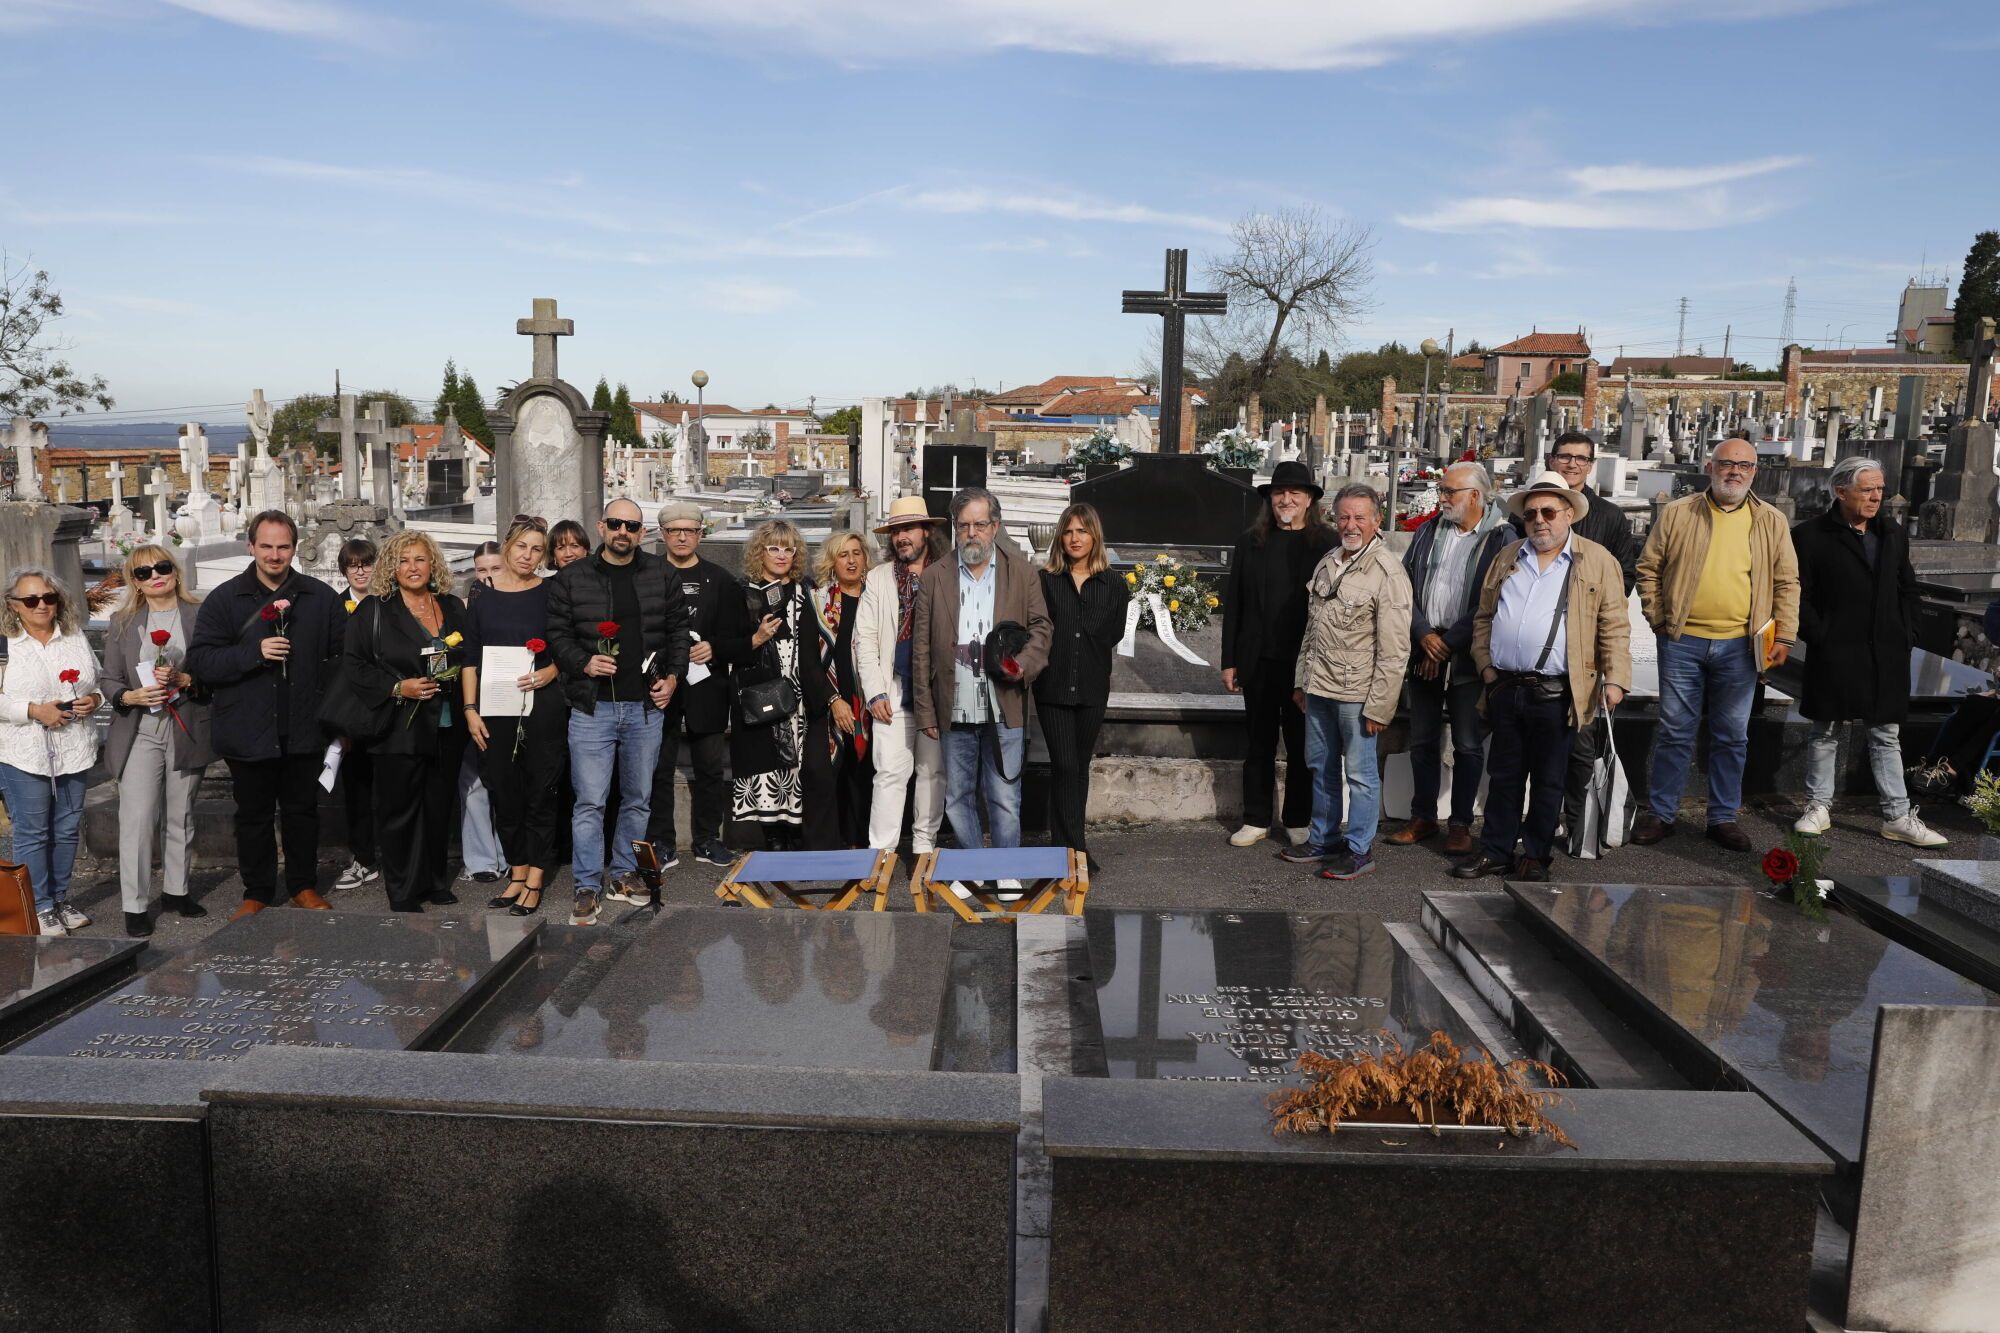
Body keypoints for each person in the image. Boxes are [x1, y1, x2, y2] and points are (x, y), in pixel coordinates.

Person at [1456, 471, 1631, 882]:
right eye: (1531, 513)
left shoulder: (1597, 560)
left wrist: (1615, 679)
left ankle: (1534, 854)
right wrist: (1485, 665)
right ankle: (1497, 849)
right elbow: (1484, 616)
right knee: (1503, 776)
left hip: (1558, 690)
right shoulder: (1509, 556)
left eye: (1549, 511)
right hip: (1506, 685)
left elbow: (1614, 624)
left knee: (1550, 779)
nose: (1539, 520)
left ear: (1568, 514)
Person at [1633, 438, 1800, 852]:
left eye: (1744, 466)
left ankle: (1722, 817)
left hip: (1741, 646)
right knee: (1675, 731)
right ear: (1710, 467)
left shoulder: (1770, 520)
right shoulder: (1679, 512)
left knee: (1732, 735)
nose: (1735, 472)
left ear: (1754, 472)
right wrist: (1658, 619)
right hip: (1683, 641)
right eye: (1726, 464)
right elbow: (1648, 568)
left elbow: (1786, 582)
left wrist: (1785, 635)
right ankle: (1662, 813)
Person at [187, 510, 345, 919]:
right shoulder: (225, 598)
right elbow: (202, 662)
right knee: (253, 816)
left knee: (301, 813)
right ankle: (256, 891)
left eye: (284, 547)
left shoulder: (320, 597)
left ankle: (302, 886)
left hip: (304, 724)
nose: (275, 555)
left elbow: (342, 659)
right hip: (248, 727)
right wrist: (252, 653)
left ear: (295, 548)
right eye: (267, 546)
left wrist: (334, 716)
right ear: (251, 546)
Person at [1791, 456, 1947, 848]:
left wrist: (1908, 630)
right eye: (1868, 489)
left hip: (1886, 650)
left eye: (1879, 489)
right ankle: (1818, 806)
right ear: (1841, 491)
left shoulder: (1891, 532)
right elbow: (1799, 593)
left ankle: (1897, 815)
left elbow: (1906, 585)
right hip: (1836, 647)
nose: (1877, 497)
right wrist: (1819, 633)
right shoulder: (1811, 535)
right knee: (1826, 729)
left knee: (1885, 733)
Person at [548, 498, 686, 925]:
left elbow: (679, 631)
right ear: (602, 526)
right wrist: (583, 662)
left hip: (645, 706)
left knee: (638, 799)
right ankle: (587, 883)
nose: (623, 531)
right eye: (615, 523)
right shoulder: (573, 577)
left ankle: (624, 874)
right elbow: (557, 633)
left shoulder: (661, 574)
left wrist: (674, 677)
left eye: (632, 525)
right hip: (593, 707)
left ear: (641, 533)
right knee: (589, 801)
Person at [914, 487, 1051, 886]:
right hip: (953, 703)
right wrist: (925, 709)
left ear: (995, 526)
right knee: (957, 797)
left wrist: (1020, 665)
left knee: (1005, 797)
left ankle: (1005, 872)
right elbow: (921, 649)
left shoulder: (1021, 572)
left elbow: (1042, 628)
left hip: (1003, 700)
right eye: (963, 525)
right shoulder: (935, 576)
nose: (971, 533)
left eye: (980, 524)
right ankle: (974, 869)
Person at [1282, 485, 1410, 882]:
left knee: (1360, 774)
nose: (1351, 525)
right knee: (1320, 767)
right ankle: (1323, 838)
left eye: (1359, 518)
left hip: (1357, 696)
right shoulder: (1328, 563)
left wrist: (1380, 707)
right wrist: (1302, 682)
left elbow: (1395, 649)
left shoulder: (1387, 572)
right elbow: (1311, 631)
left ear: (1376, 521)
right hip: (1319, 689)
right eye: (1344, 517)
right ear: (1334, 519)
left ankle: (1358, 849)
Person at [339, 532, 469, 911]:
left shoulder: (451, 606)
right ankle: (403, 889)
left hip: (447, 724)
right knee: (400, 811)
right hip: (399, 726)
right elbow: (354, 666)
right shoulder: (374, 610)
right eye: (403, 560)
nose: (412, 567)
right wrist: (398, 687)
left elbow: (468, 657)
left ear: (434, 565)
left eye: (420, 559)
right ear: (391, 568)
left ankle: (434, 880)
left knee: (439, 806)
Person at [1387, 462, 1509, 856]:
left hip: (1468, 654)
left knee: (1468, 743)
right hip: (1425, 647)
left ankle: (1459, 824)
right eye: (1442, 490)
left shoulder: (1499, 538)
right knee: (1422, 737)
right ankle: (1422, 816)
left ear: (1475, 495)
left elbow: (1490, 599)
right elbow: (1404, 586)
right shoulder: (1428, 531)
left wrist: (1448, 643)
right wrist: (1424, 634)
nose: (1441, 498)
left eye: (1449, 491)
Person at [99, 546, 213, 937]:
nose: (155, 576)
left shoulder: (201, 616)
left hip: (186, 724)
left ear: (175, 572)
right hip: (140, 728)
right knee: (138, 818)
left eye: (162, 567)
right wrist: (128, 697)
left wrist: (188, 681)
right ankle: (134, 904)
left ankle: (176, 891)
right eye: (143, 572)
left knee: (181, 814)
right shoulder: (121, 622)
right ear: (135, 582)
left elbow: (215, 670)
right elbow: (109, 678)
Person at [1221, 460, 1333, 849]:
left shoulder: (1326, 543)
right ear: (1269, 499)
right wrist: (1229, 660)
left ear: (1308, 501)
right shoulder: (1250, 542)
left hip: (1306, 662)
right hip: (1259, 659)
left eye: (1295, 494)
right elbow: (1233, 603)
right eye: (1279, 493)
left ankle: (1298, 818)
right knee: (1259, 742)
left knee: (1303, 743)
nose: (1286, 499)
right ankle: (1255, 818)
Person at [461, 519, 569, 917]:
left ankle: (537, 874)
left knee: (540, 790)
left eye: (537, 549)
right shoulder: (481, 596)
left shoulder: (552, 591)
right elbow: (470, 658)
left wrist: (552, 670)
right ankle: (517, 870)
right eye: (522, 546)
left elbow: (568, 641)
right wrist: (470, 710)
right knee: (503, 791)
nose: (528, 555)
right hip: (494, 706)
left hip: (542, 704)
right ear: (507, 546)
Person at [0, 568, 104, 935]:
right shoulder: (4, 644)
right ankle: (37, 905)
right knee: (32, 832)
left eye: (48, 597)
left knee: (66, 829)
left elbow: (97, 682)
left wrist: (93, 699)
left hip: (73, 747)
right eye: (31, 600)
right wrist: (33, 710)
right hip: (23, 752)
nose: (41, 605)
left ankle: (59, 898)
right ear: (13, 606)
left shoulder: (73, 636)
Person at [649, 502, 749, 869]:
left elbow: (740, 637)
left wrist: (715, 648)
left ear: (700, 534)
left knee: (710, 766)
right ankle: (662, 840)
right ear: (662, 535)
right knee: (658, 765)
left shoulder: (721, 580)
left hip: (707, 684)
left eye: (689, 530)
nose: (681, 537)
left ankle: (708, 839)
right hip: (660, 682)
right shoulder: (648, 575)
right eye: (674, 531)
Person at [1035, 502, 1129, 865]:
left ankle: (1064, 846)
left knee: (1080, 765)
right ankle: (1077, 850)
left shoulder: (1114, 585)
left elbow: (1113, 635)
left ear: (1095, 537)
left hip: (1091, 688)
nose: (1075, 538)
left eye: (1082, 531)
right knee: (1065, 765)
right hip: (1053, 689)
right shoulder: (1046, 581)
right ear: (1061, 536)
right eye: (1069, 531)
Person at [855, 496, 948, 858]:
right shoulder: (879, 579)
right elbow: (865, 641)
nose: (901, 537)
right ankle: (881, 853)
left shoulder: (947, 572)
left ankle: (924, 849)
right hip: (893, 691)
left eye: (908, 529)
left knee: (932, 774)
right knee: (890, 774)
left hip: (936, 692)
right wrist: (875, 693)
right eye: (896, 531)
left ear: (926, 531)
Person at [730, 519, 832, 848]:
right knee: (765, 765)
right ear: (760, 552)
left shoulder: (807, 590)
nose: (781, 555)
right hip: (760, 692)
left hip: (801, 692)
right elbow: (724, 644)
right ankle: (772, 835)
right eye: (773, 548)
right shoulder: (743, 591)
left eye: (788, 549)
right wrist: (755, 639)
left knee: (799, 762)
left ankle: (794, 833)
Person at [814, 529, 878, 848]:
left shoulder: (877, 596)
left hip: (871, 699)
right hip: (835, 698)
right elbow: (812, 659)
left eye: (856, 553)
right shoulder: (820, 601)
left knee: (866, 773)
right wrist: (833, 699)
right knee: (838, 770)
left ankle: (864, 842)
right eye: (843, 554)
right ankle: (839, 842)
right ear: (832, 562)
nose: (851, 561)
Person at [1520, 431, 1639, 592]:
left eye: (1581, 459)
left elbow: (1625, 575)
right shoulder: (1527, 511)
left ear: (1590, 466)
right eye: (1565, 457)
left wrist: (1592, 606)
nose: (1572, 464)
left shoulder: (1610, 516)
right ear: (1551, 461)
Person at [455, 539, 508, 886]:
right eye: (481, 570)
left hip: (507, 696)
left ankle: (508, 854)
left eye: (495, 568)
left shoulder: (519, 599)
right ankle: (480, 860)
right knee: (472, 781)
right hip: (473, 697)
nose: (487, 577)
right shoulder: (462, 604)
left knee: (506, 781)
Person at [330, 538, 380, 895]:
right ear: (344, 570)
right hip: (352, 711)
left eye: (366, 563)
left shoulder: (389, 603)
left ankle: (390, 857)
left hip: (387, 706)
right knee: (358, 790)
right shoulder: (337, 607)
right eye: (353, 565)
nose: (360, 570)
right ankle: (363, 857)